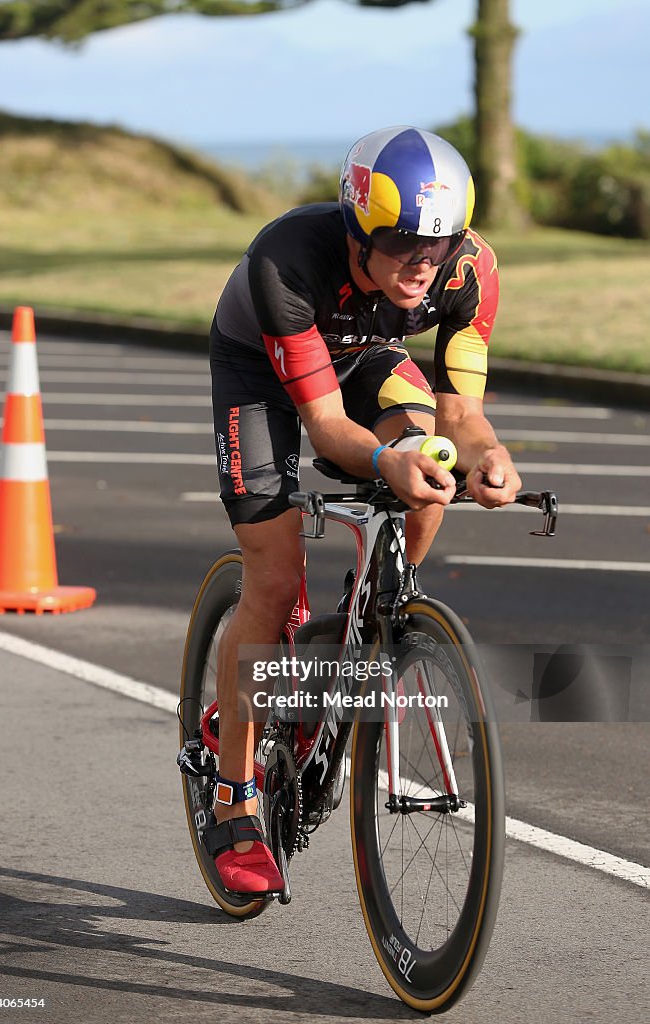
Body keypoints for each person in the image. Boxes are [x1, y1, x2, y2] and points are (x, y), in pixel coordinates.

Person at [204, 125, 522, 895]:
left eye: (437, 246)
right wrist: (387, 461)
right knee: (274, 581)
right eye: (402, 243)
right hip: (265, 373)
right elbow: (325, 428)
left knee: (433, 457)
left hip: (366, 361)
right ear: (357, 230)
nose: (422, 264)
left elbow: (460, 413)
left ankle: (358, 618)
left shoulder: (469, 270)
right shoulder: (290, 259)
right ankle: (232, 796)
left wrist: (485, 455)